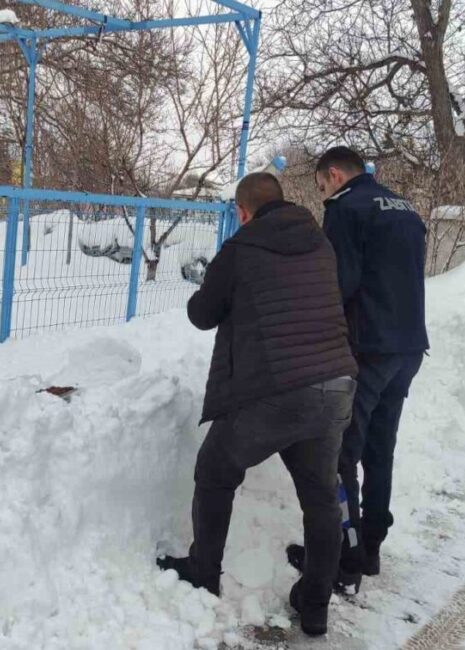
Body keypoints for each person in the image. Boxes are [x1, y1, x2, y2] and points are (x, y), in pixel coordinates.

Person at [156, 172, 358, 636]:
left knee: (215, 471)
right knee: (321, 499)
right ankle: (315, 604)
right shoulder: (321, 243)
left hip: (276, 390)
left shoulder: (240, 249)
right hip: (336, 384)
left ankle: (203, 571)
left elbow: (203, 314)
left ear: (242, 211)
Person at [287, 147, 429, 592]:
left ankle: (342, 560)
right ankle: (370, 548)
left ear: (333, 175)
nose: (322, 194)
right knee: (380, 451)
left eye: (320, 185)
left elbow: (338, 284)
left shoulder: (346, 209)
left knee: (342, 453)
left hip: (367, 348)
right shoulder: (405, 209)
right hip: (408, 347)